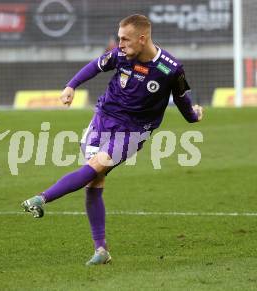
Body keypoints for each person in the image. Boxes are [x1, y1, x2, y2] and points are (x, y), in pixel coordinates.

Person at [21, 14, 203, 266]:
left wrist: (194, 116)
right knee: (94, 182)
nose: (120, 44)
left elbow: (183, 100)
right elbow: (96, 65)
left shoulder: (170, 68)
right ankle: (101, 250)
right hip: (102, 119)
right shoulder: (120, 56)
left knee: (97, 165)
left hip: (135, 130)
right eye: (119, 38)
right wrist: (71, 86)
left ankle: (42, 198)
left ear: (142, 38)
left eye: (125, 39)